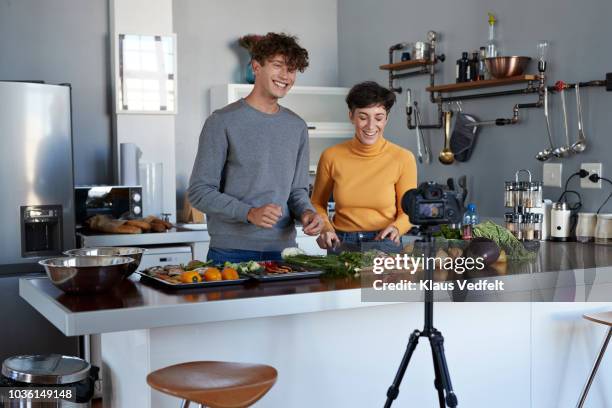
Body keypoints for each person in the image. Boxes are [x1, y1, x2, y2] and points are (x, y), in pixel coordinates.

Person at [188, 32, 324, 263]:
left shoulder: (297, 126)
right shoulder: (222, 121)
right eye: (278, 65)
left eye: (291, 70)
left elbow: (297, 192)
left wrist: (308, 213)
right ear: (256, 67)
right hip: (230, 253)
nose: (285, 76)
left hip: (284, 252)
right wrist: (249, 213)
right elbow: (200, 192)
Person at [310, 81, 417, 251]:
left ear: (386, 119)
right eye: (363, 117)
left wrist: (398, 227)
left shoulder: (403, 158)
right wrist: (326, 228)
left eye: (379, 118)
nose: (371, 126)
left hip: (385, 241)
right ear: (351, 116)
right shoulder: (331, 156)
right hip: (341, 241)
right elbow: (317, 203)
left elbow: (410, 210)